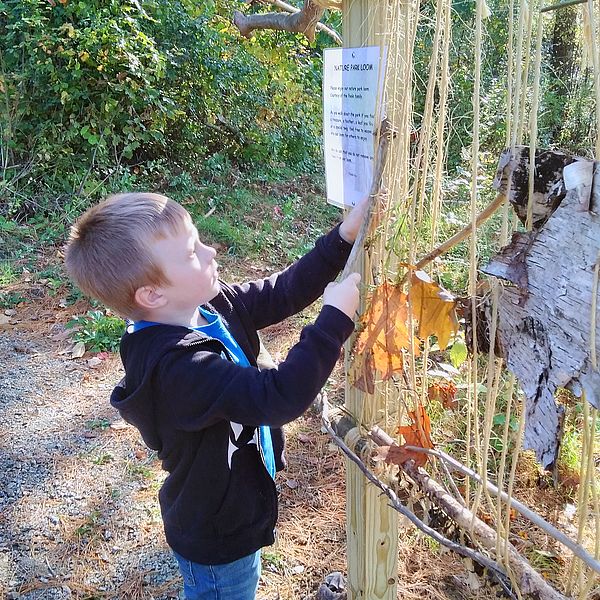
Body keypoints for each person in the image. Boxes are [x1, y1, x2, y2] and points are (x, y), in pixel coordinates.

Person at [64, 192, 364, 600]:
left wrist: (342, 239)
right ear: (152, 294)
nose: (211, 251)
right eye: (191, 251)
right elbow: (278, 397)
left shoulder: (207, 306)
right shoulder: (178, 370)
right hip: (217, 529)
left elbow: (283, 291)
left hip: (235, 506)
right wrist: (332, 323)